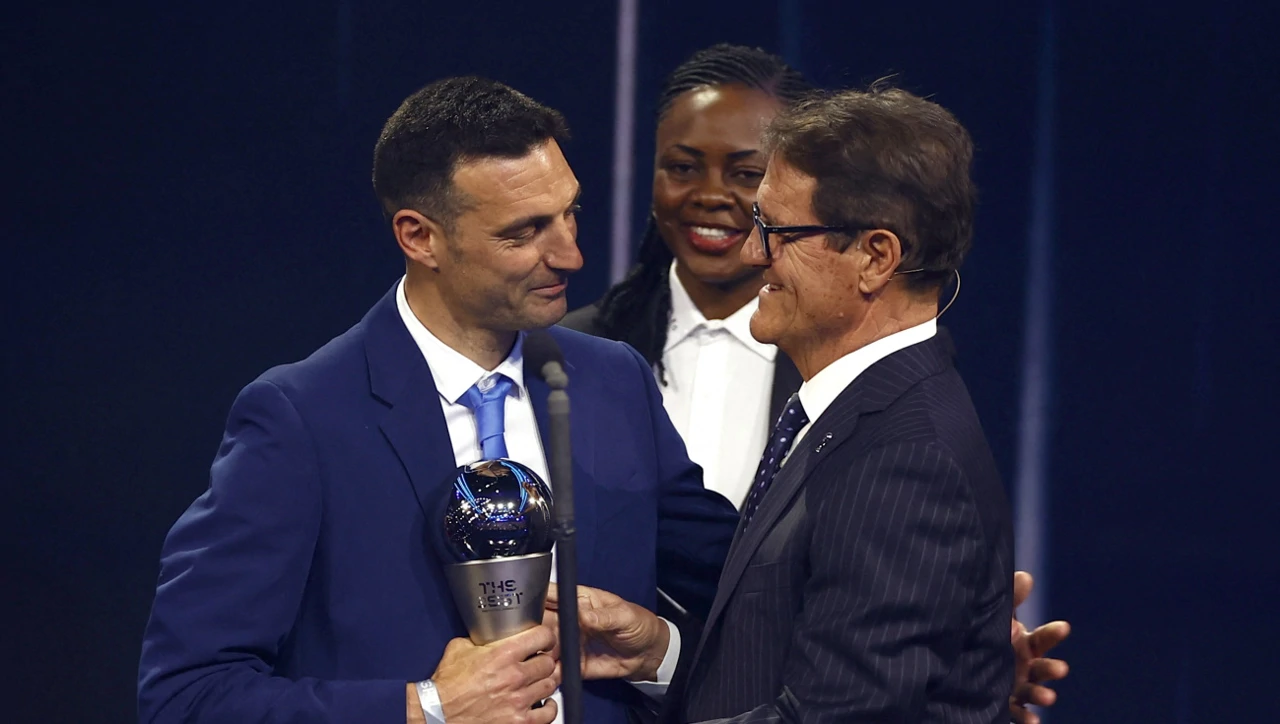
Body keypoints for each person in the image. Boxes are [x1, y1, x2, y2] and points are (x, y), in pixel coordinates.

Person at [136, 76, 740, 724]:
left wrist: (660, 652)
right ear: (420, 238)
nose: (571, 254)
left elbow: (745, 585)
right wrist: (429, 708)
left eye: (571, 213)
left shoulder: (610, 380)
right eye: (525, 231)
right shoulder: (301, 419)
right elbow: (187, 696)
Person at [560, 44, 1068, 721]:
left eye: (775, 229)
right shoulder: (847, 415)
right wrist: (660, 655)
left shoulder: (903, 461)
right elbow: (775, 658)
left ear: (874, 256)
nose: (749, 249)